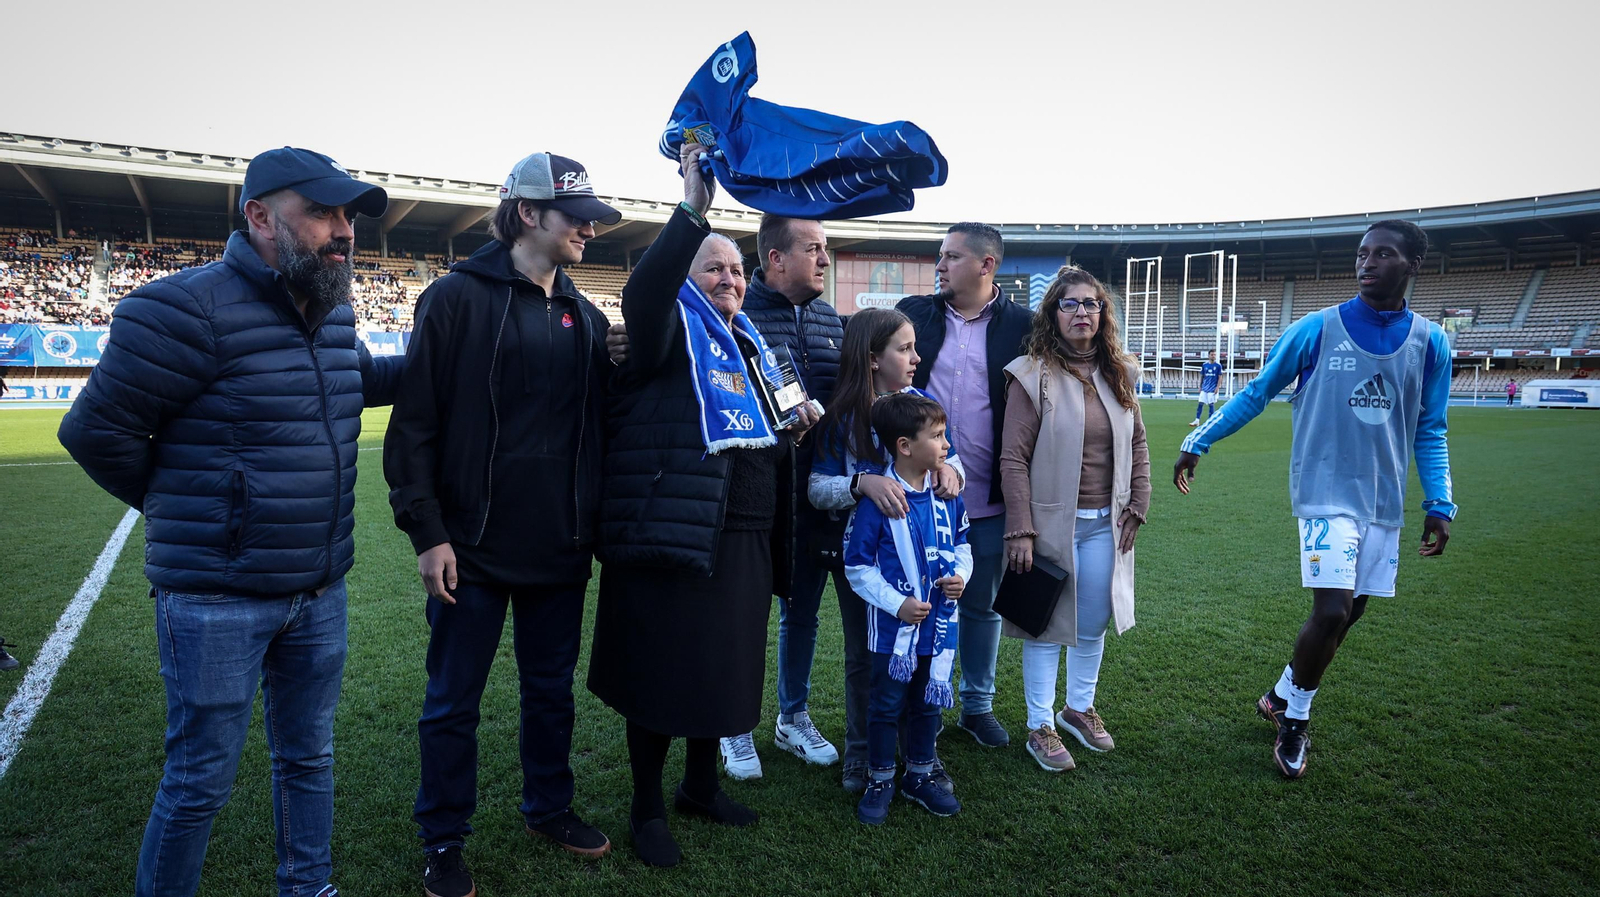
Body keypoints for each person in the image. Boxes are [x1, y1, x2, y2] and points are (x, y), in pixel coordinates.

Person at [57, 147, 400, 897]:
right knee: (200, 780)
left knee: (308, 757)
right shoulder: (182, 307)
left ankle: (307, 887)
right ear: (259, 215)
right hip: (215, 598)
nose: (343, 230)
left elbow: (356, 380)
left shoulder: (334, 310)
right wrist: (196, 509)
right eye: (322, 212)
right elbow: (93, 433)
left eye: (348, 215)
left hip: (319, 588)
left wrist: (450, 354)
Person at [382, 152, 621, 896]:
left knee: (550, 691)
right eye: (574, 213)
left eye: (590, 216)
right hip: (470, 547)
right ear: (526, 213)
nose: (588, 227)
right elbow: (414, 423)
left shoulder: (585, 314)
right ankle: (443, 839)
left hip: (559, 545)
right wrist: (427, 531)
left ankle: (548, 806)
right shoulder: (454, 298)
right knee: (454, 699)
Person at [587, 144, 819, 868]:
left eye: (738, 271)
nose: (730, 279)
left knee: (721, 672)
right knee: (660, 676)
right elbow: (646, 295)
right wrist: (693, 209)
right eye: (714, 267)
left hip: (744, 537)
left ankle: (698, 786)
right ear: (689, 277)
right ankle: (647, 806)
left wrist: (799, 417)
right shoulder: (663, 334)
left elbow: (777, 421)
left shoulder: (751, 342)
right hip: (674, 533)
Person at [1174, 219, 1456, 779]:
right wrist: (1198, 440)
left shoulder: (1432, 343)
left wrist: (1439, 503)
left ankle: (1281, 693)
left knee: (1349, 614)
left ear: (1412, 265)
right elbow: (1257, 393)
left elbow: (1431, 428)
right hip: (1325, 493)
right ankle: (1295, 722)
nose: (1367, 262)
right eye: (1362, 253)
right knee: (1331, 608)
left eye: (1382, 254)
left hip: (1383, 500)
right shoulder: (1317, 329)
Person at [999, 266, 1150, 772]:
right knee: (1044, 623)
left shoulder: (1120, 372)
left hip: (1106, 521)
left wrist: (1140, 501)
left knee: (1093, 620)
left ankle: (1078, 708)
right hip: (1047, 525)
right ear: (1053, 313)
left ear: (1102, 313)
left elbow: (1139, 443)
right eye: (1071, 304)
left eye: (1091, 304)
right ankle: (1038, 724)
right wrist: (1019, 527)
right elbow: (1012, 458)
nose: (1082, 312)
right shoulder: (1030, 373)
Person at [808, 307, 964, 793]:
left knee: (925, 651)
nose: (917, 357)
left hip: (927, 560)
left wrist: (949, 470)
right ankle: (862, 756)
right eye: (904, 348)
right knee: (866, 657)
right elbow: (816, 488)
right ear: (873, 358)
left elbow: (951, 461)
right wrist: (862, 483)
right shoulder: (842, 416)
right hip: (867, 563)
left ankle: (921, 757)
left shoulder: (922, 406)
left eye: (915, 346)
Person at [716, 211, 846, 780]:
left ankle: (792, 716)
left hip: (813, 495)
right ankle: (732, 723)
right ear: (774, 259)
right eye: (814, 248)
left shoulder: (830, 319)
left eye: (825, 249)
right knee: (741, 613)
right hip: (751, 494)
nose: (824, 259)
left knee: (804, 612)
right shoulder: (736, 314)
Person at [898, 222, 1031, 748]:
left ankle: (977, 706)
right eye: (940, 255)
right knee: (912, 602)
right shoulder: (915, 313)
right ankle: (912, 700)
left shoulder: (1025, 325)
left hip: (989, 499)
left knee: (980, 605)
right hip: (917, 499)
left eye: (951, 256)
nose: (940, 264)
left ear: (986, 264)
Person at [843, 393, 971, 824]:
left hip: (938, 630)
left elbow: (963, 545)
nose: (946, 445)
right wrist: (897, 605)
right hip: (891, 635)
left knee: (926, 705)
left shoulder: (947, 493)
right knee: (885, 705)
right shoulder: (879, 500)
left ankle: (919, 773)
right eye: (937, 437)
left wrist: (961, 578)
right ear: (904, 445)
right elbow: (857, 568)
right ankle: (879, 777)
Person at [1191, 349, 1223, 426]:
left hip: (1212, 389)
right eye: (1212, 354)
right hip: (1204, 388)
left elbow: (1220, 377)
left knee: (1211, 404)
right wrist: (1200, 386)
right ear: (1209, 355)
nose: (1213, 356)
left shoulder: (1218, 366)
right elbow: (1202, 376)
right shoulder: (1205, 365)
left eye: (1214, 355)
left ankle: (1210, 421)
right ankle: (1197, 420)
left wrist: (1217, 387)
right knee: (1200, 403)